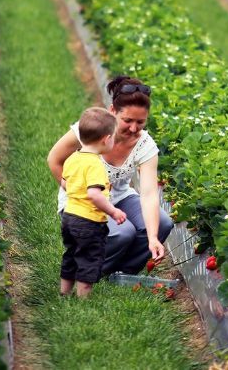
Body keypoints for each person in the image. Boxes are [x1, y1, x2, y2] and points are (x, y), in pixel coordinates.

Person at [48, 76, 174, 278]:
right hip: (84, 200)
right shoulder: (90, 130)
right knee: (123, 233)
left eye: (140, 122)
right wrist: (71, 188)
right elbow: (54, 159)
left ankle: (121, 273)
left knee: (163, 223)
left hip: (120, 198)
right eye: (127, 121)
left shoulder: (145, 145)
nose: (134, 128)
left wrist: (152, 237)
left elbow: (149, 194)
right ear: (112, 111)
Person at [60, 107, 127, 297]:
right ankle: (84, 301)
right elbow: (94, 195)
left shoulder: (73, 158)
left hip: (69, 216)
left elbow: (65, 183)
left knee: (71, 255)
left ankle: (64, 294)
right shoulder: (95, 164)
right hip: (88, 221)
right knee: (89, 259)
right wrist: (113, 211)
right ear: (106, 139)